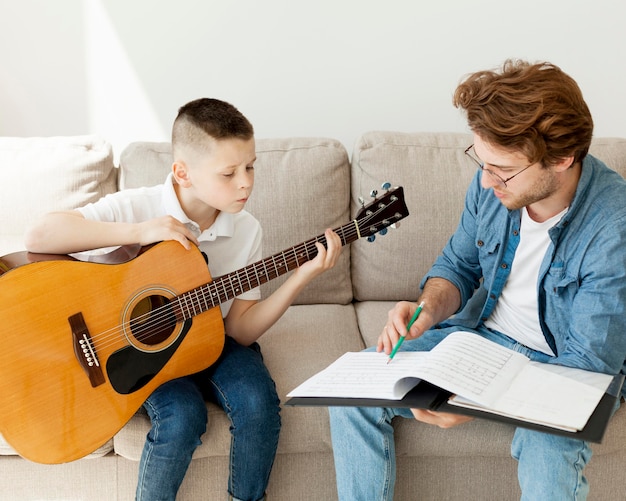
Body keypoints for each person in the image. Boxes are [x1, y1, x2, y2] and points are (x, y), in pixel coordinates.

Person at [329, 59, 626, 500]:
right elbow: (459, 266)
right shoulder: (491, 185)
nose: (485, 181)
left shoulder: (614, 227)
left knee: (547, 446)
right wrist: (428, 309)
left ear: (562, 159)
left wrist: (475, 401)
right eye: (481, 162)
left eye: (501, 169)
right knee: (352, 395)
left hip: (563, 367)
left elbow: (585, 366)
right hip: (482, 338)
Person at [24, 98, 342, 501]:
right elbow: (40, 237)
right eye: (229, 173)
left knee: (259, 405)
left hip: (214, 337)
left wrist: (301, 278)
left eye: (251, 166)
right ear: (182, 173)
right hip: (133, 349)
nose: (246, 182)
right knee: (182, 417)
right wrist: (140, 233)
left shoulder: (247, 230)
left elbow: (240, 330)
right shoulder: (139, 207)